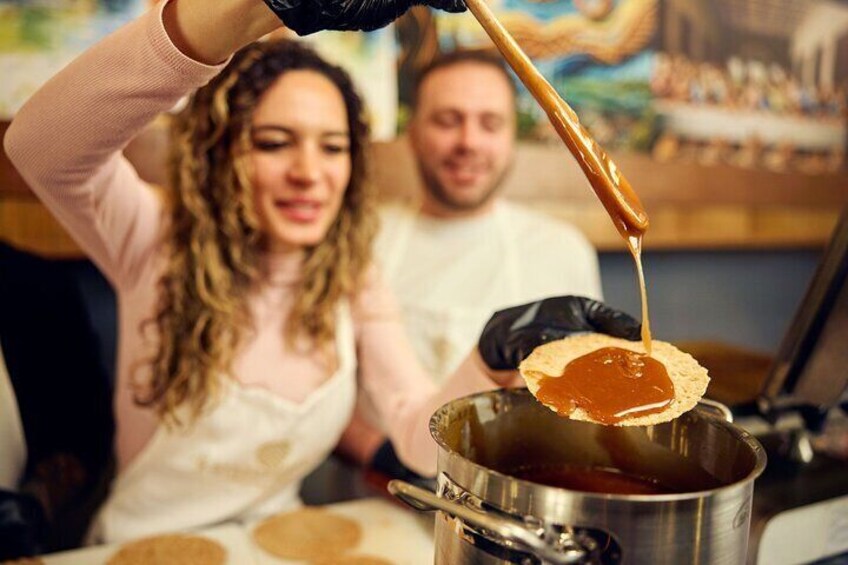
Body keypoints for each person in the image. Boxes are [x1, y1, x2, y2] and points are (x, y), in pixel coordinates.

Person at [4, 0, 639, 549]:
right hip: (139, 549)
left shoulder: (350, 277)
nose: (310, 172)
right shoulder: (150, 238)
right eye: (275, 142)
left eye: (332, 147)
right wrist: (239, 12)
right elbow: (39, 145)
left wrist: (491, 356)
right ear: (224, 153)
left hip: (281, 546)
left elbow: (421, 442)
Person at [338, 50, 603, 466]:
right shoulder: (359, 241)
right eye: (447, 120)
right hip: (379, 491)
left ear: (511, 136)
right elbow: (322, 386)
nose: (469, 142)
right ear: (413, 133)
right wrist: (381, 454)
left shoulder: (562, 249)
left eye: (490, 123)